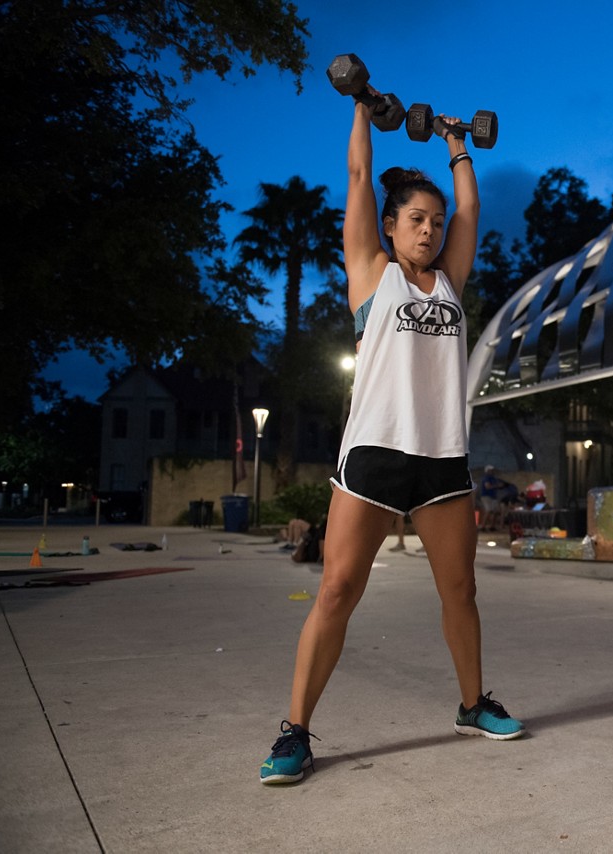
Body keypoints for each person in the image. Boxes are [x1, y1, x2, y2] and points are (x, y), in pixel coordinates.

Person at [259, 89, 523, 786]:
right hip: (374, 454)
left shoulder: (452, 286)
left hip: (441, 460)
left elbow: (471, 209)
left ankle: (472, 705)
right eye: (416, 220)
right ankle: (295, 732)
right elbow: (354, 178)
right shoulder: (372, 275)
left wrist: (457, 142)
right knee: (339, 589)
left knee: (460, 589)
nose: (431, 230)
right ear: (392, 225)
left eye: (435, 222)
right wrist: (359, 110)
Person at [477, 465, 514, 530]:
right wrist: (497, 486)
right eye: (490, 470)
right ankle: (483, 526)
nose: (492, 471)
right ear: (487, 471)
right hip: (486, 496)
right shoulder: (486, 478)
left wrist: (501, 486)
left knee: (496, 511)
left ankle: (492, 526)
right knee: (488, 510)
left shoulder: (493, 478)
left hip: (493, 497)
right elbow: (487, 486)